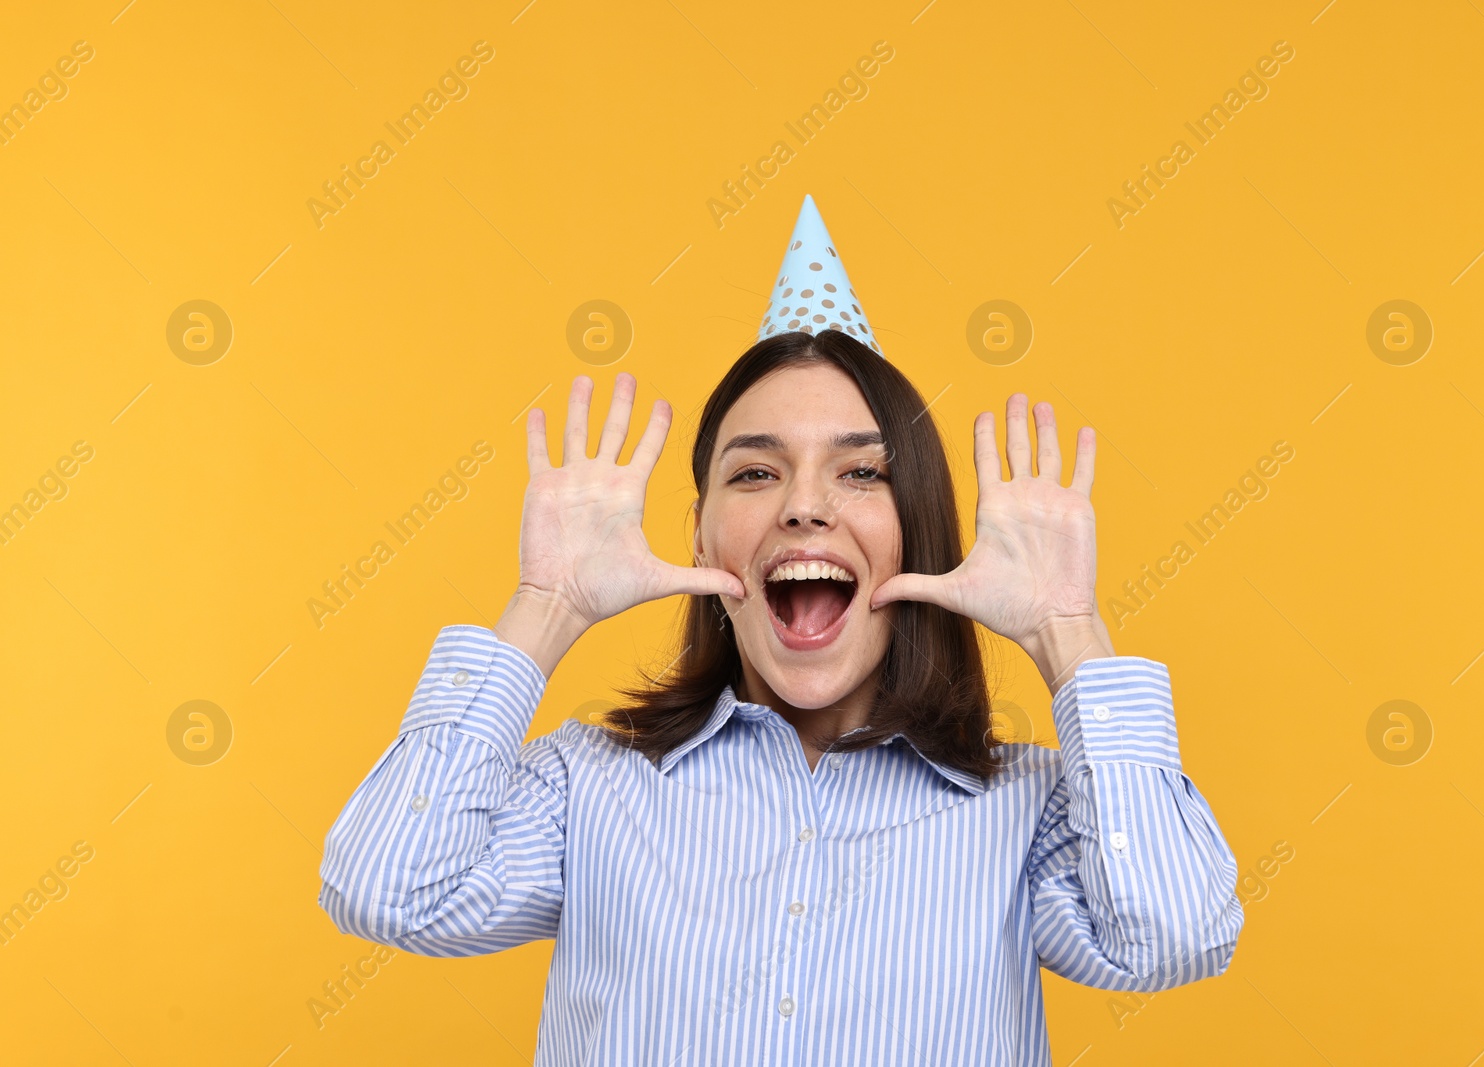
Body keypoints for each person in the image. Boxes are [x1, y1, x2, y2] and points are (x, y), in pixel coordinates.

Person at [318, 198, 1243, 1065]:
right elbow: (390, 888)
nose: (804, 507)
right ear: (701, 537)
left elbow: (1173, 933)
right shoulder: (587, 788)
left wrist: (1067, 631)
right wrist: (546, 604)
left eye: (860, 474)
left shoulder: (1024, 807)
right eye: (755, 474)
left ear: (916, 530)